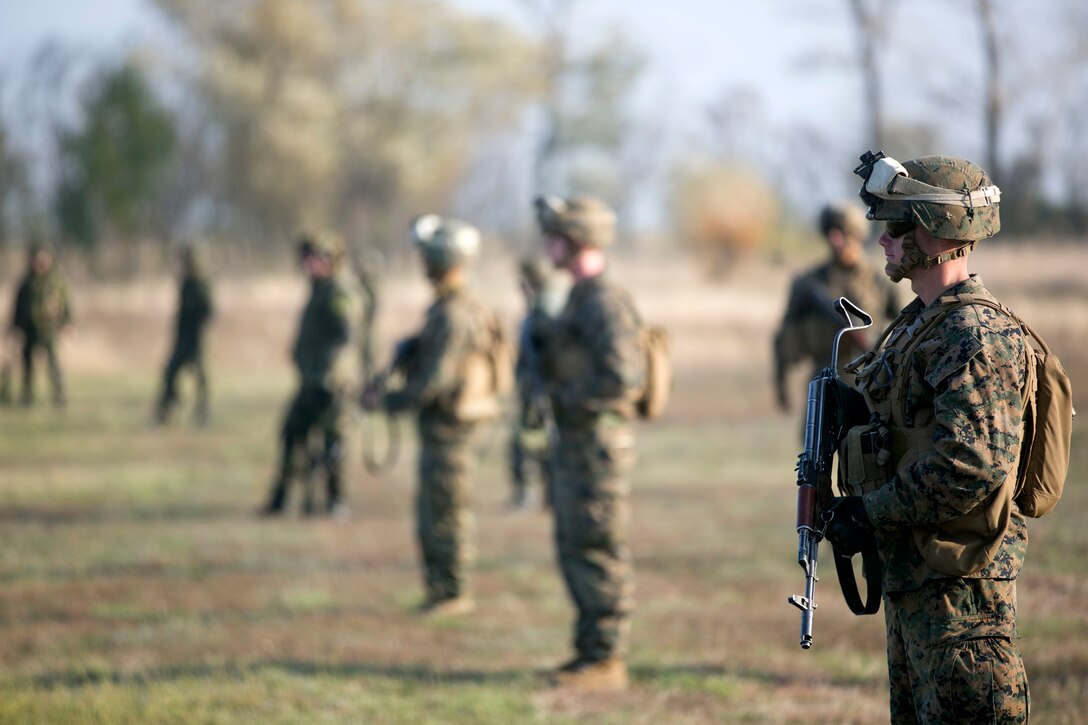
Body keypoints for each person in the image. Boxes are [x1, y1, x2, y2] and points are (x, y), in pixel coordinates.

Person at [826, 152, 1031, 723]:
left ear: (940, 232)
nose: (884, 239)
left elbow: (969, 467)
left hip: (961, 599)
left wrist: (871, 511)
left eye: (899, 225)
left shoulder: (975, 335)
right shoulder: (920, 322)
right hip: (917, 584)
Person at [532, 195, 644, 690]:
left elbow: (623, 378)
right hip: (579, 446)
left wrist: (564, 396)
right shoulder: (576, 298)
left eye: (553, 235)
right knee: (575, 545)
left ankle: (606, 660)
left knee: (597, 546)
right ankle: (588, 653)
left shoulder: (603, 301)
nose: (546, 244)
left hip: (598, 448)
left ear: (574, 240)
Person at [362, 214, 494, 616]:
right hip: (442, 430)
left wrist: (390, 402)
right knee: (433, 513)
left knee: (447, 514)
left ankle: (453, 593)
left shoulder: (454, 315)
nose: (422, 264)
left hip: (450, 432)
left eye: (427, 257)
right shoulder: (447, 308)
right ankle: (441, 590)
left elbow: (435, 381)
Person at [260, 231, 362, 519]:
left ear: (331, 261)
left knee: (333, 440)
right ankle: (280, 499)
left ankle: (336, 501)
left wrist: (330, 372)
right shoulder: (320, 289)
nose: (309, 265)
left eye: (316, 260)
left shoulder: (340, 291)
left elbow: (346, 336)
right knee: (292, 433)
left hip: (332, 384)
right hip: (311, 380)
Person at [773, 202, 900, 411]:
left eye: (842, 232)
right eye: (830, 232)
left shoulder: (880, 280)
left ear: (857, 235)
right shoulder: (810, 283)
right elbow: (784, 339)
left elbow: (906, 324)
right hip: (826, 382)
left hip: (873, 382)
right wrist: (782, 387)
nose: (835, 240)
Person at [508, 256, 566, 509]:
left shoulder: (547, 308)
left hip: (542, 389)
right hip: (532, 386)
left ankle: (544, 496)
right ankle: (534, 494)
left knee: (537, 443)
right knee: (526, 442)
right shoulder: (537, 307)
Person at [154, 243, 215, 425]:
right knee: (171, 373)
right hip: (182, 339)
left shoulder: (199, 285)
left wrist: (195, 321)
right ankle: (166, 409)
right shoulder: (186, 283)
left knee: (199, 379)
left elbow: (208, 311)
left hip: (194, 339)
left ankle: (201, 412)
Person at [9, 243, 71, 407]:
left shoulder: (55, 282)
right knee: (27, 365)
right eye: (37, 259)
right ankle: (27, 397)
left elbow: (66, 304)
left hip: (48, 329)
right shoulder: (26, 283)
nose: (40, 263)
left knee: (53, 364)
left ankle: (59, 396)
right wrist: (14, 328)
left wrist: (67, 324)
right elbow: (17, 308)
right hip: (29, 329)